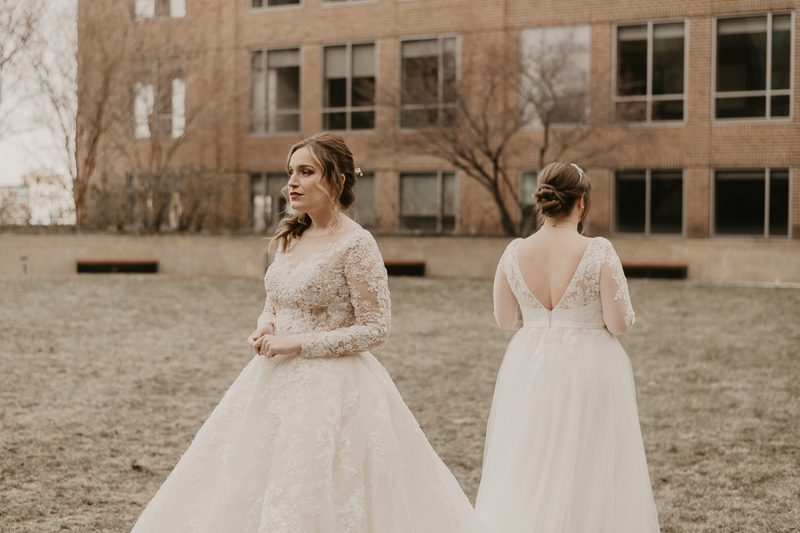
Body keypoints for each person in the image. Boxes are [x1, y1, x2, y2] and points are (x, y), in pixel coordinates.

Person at [129, 132, 486, 533]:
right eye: (290, 172)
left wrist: (295, 343)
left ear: (336, 180)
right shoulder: (291, 237)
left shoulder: (357, 245)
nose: (291, 183)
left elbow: (376, 329)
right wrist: (266, 326)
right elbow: (276, 301)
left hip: (334, 388)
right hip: (273, 380)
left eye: (305, 172)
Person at [474, 162, 660, 533]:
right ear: (582, 202)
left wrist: (541, 323)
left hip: (529, 365)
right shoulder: (598, 251)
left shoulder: (513, 252)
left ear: (543, 203)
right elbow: (620, 323)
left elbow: (506, 320)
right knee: (591, 459)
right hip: (590, 365)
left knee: (528, 457)